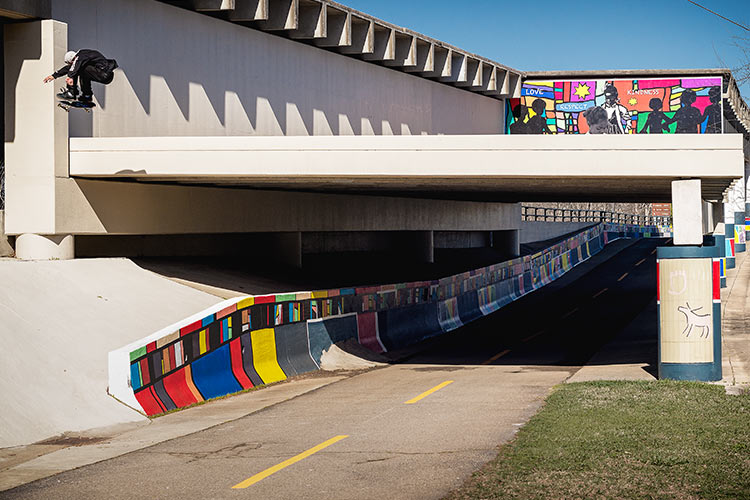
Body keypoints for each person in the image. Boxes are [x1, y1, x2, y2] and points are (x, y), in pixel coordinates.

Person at [43, 49, 117, 103]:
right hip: (104, 74)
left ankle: (72, 93)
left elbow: (74, 66)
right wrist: (54, 75)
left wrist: (70, 77)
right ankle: (87, 96)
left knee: (78, 69)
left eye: (71, 63)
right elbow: (70, 68)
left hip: (105, 74)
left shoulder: (81, 55)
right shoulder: (82, 57)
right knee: (82, 72)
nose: (71, 65)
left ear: (73, 59)